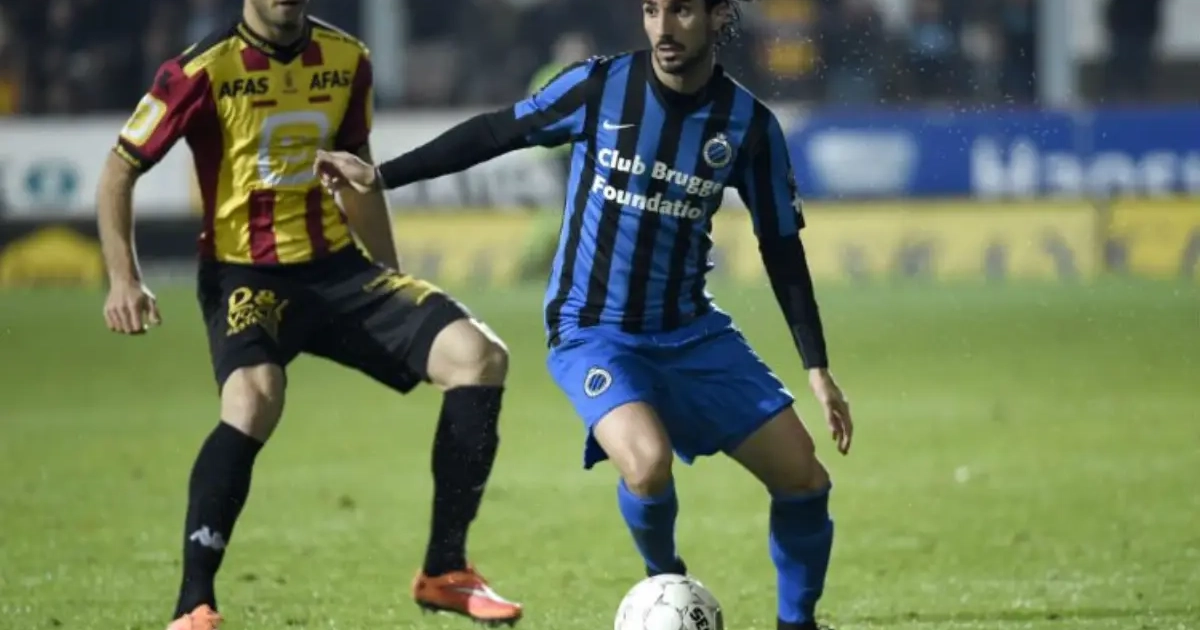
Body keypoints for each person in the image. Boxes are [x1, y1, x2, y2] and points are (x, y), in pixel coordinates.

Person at [314, 0, 854, 628]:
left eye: (681, 11)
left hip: (691, 332)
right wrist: (380, 175)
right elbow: (496, 131)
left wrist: (816, 367)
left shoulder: (749, 126)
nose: (663, 27)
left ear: (717, 16)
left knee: (804, 478)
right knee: (646, 464)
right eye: (651, 9)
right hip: (593, 329)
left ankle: (797, 623)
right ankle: (665, 583)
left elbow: (781, 248)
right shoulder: (600, 87)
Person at [95, 1, 523, 628]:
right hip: (246, 275)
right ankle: (194, 604)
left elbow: (356, 173)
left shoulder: (348, 59)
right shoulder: (199, 71)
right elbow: (119, 169)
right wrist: (123, 279)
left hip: (340, 272)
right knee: (253, 398)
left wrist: (392, 275)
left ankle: (445, 571)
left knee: (478, 357)